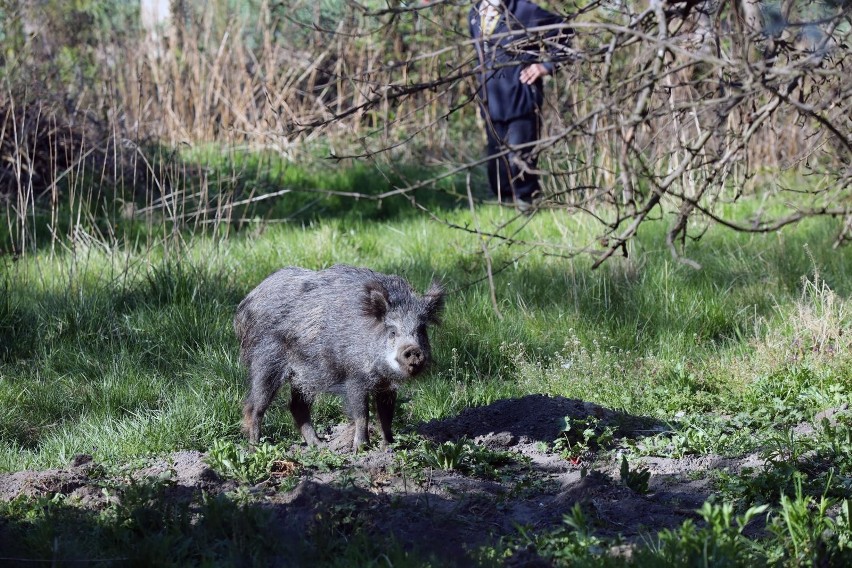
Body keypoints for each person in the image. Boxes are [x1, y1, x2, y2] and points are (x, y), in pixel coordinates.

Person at [469, 0, 572, 210]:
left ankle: (527, 206)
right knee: (497, 161)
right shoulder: (474, 13)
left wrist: (545, 66)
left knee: (520, 158)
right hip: (492, 103)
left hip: (522, 99)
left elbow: (564, 31)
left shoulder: (525, 10)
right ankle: (503, 210)